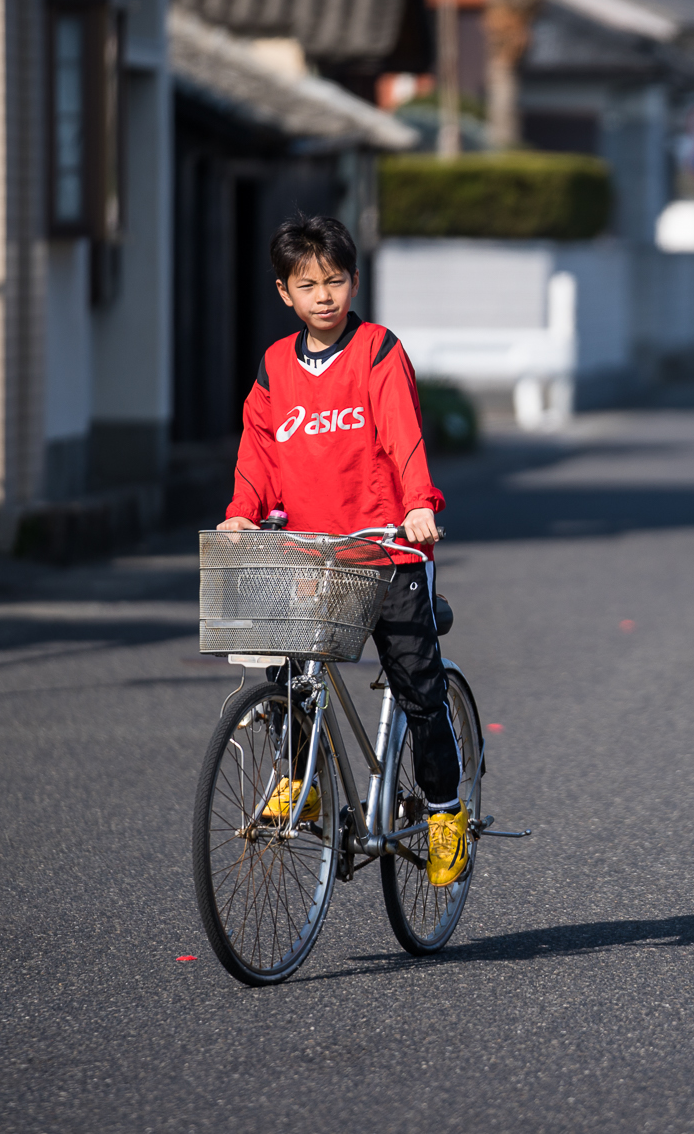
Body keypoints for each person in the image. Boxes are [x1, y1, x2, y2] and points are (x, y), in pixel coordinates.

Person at [218, 214, 469, 886]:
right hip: (312, 553)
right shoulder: (275, 367)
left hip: (388, 549)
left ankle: (445, 811)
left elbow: (403, 435)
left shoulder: (378, 351)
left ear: (354, 282)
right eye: (308, 284)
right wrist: (243, 513)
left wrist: (420, 503)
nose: (324, 295)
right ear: (284, 293)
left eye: (335, 280)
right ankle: (308, 783)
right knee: (289, 675)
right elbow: (259, 450)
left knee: (421, 690)